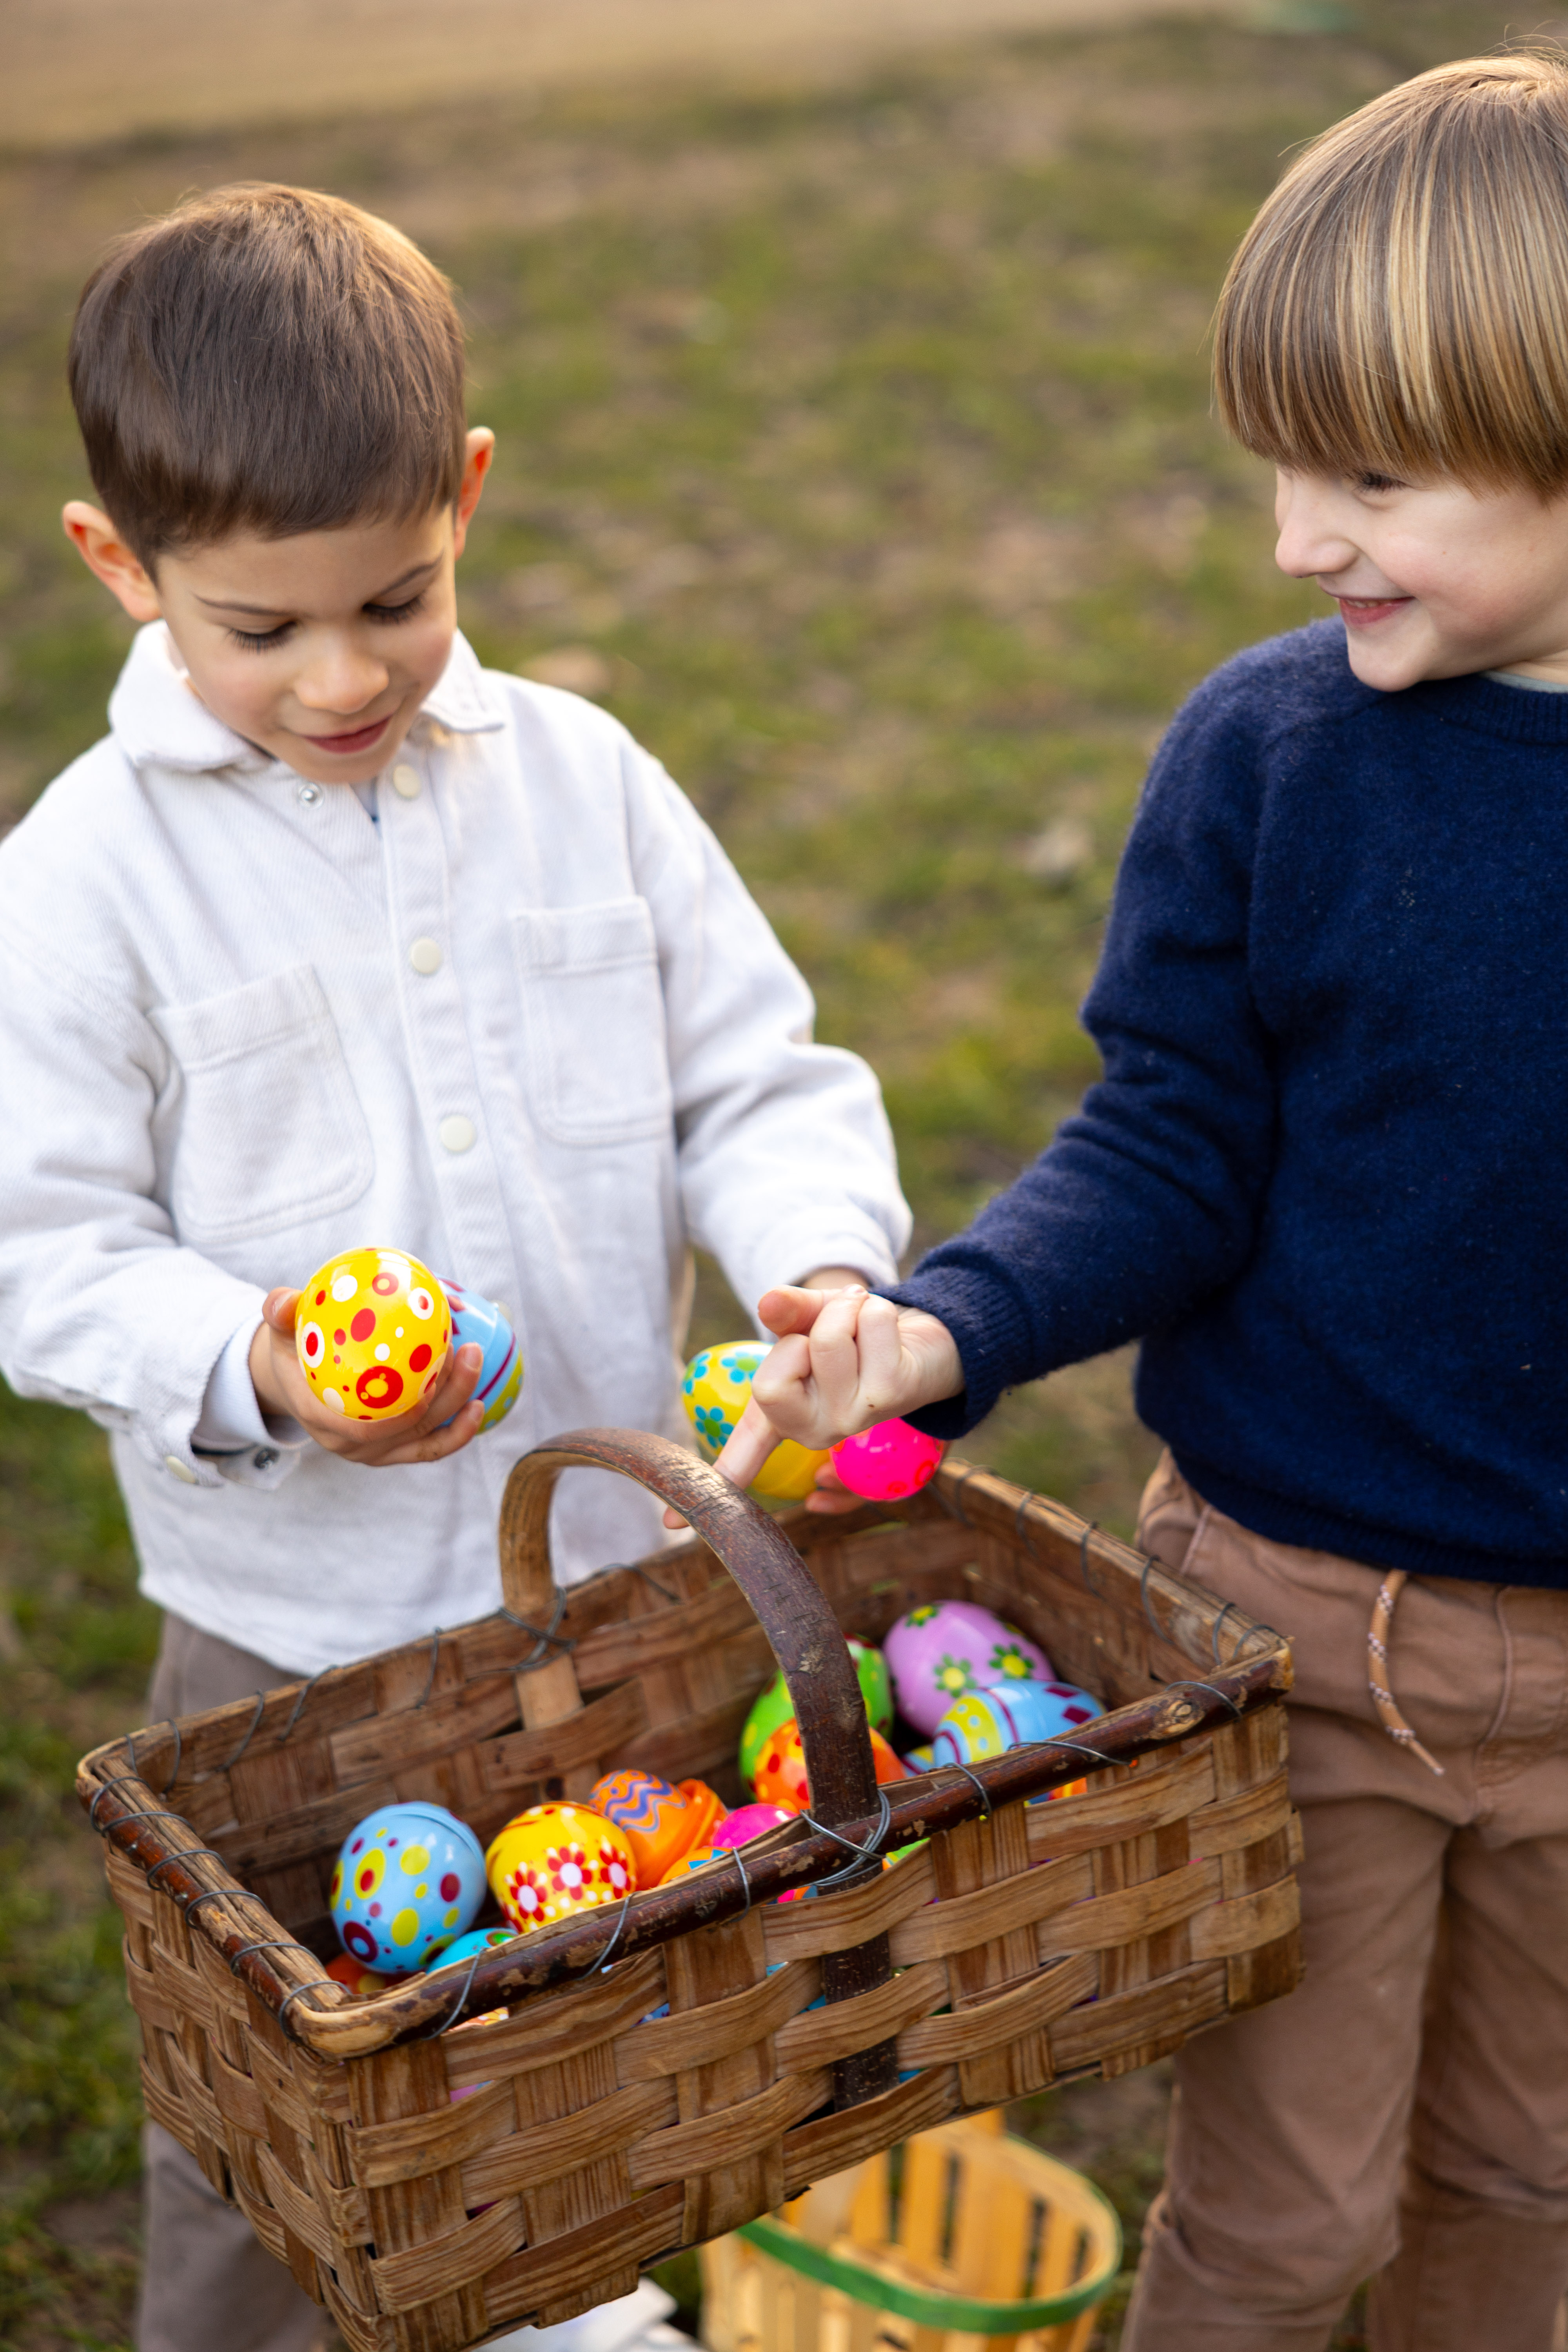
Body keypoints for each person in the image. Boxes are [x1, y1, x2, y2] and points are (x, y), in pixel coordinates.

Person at [709, 54, 1568, 2352]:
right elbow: (1174, 1134)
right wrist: (953, 1324)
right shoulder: (1272, 756)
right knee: (1286, 2225)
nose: (1301, 533)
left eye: (1374, 476)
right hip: (1297, 1630)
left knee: (1532, 2198)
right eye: (1284, 464)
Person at [0, 184, 910, 2352]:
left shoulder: (582, 786)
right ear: (119, 569)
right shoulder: (87, 887)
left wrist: (811, 1266)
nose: (339, 677)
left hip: (613, 1588)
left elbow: (756, 1079)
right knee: (273, 2127)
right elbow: (41, 1253)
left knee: (615, 2023)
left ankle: (560, 2302)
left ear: (468, 498)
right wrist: (257, 1363)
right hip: (291, 1651)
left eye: (395, 602)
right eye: (260, 627)